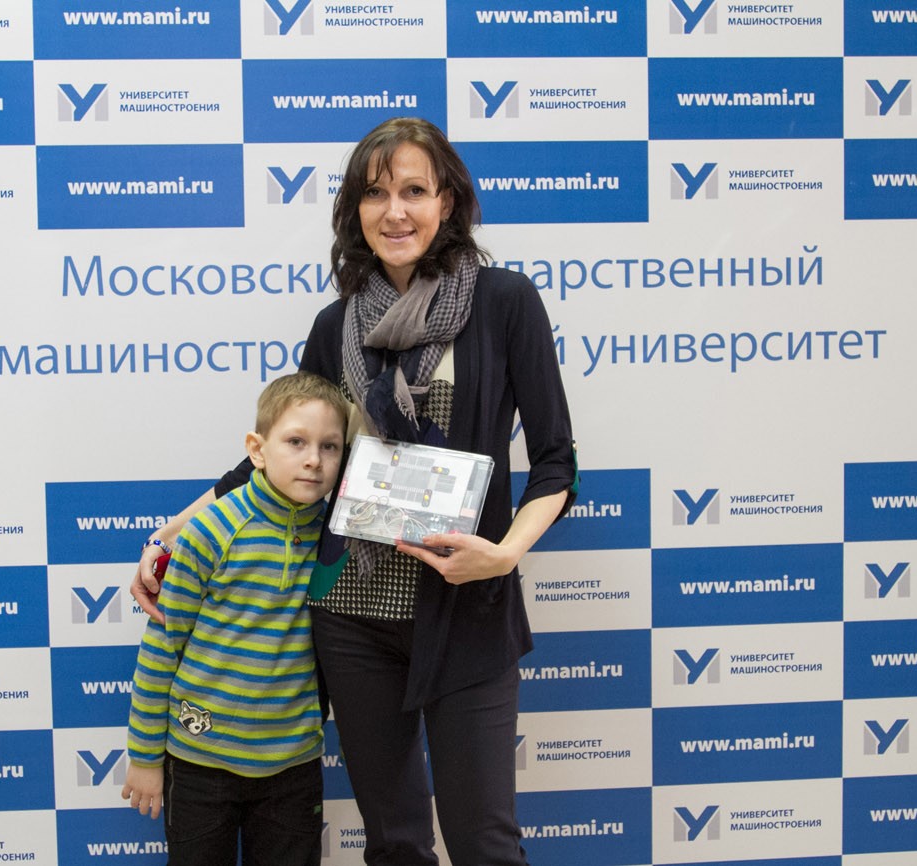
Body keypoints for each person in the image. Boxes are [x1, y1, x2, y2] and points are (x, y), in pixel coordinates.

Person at [133, 117, 577, 866]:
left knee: (484, 843)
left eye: (414, 191)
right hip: (350, 616)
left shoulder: (504, 302)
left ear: (446, 203)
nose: (394, 212)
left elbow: (556, 463)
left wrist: (503, 556)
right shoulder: (335, 323)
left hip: (466, 609)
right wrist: (168, 535)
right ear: (355, 210)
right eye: (375, 194)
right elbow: (274, 461)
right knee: (395, 842)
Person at [121, 371, 349, 866]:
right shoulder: (211, 530)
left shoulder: (339, 538)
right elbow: (161, 649)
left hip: (293, 766)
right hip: (199, 763)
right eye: (296, 442)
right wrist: (144, 757)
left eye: (330, 447)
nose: (314, 459)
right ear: (257, 450)